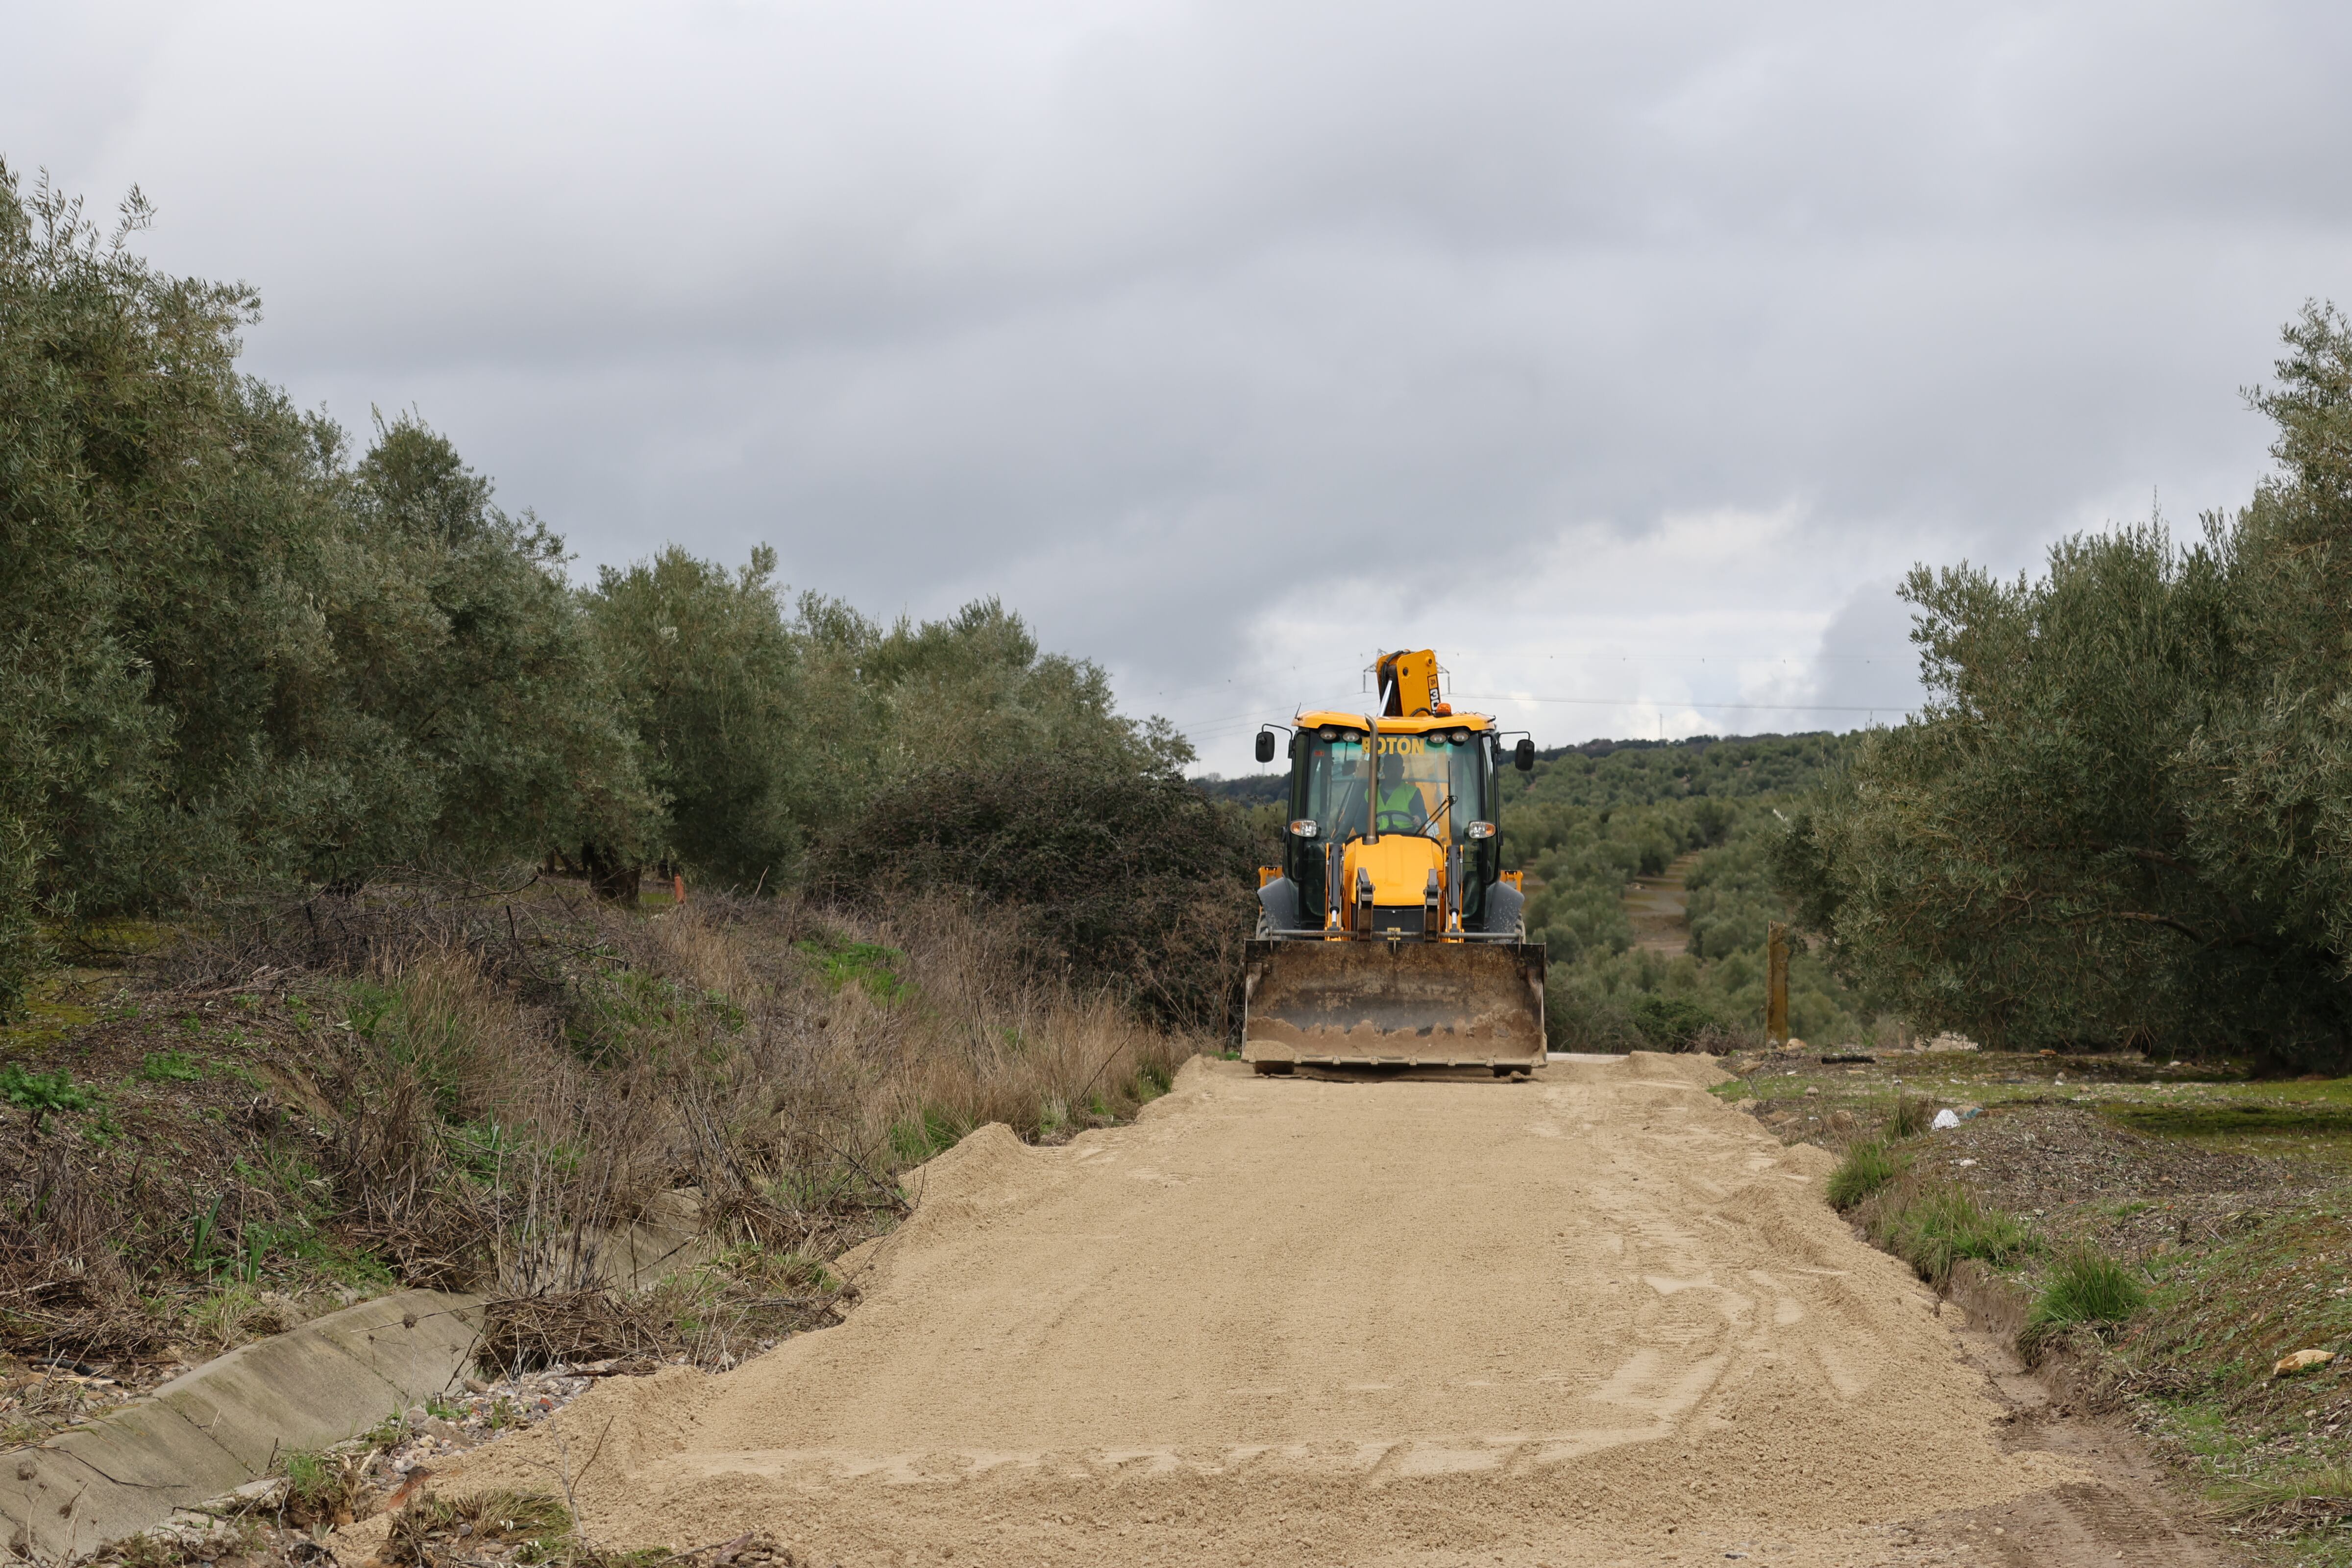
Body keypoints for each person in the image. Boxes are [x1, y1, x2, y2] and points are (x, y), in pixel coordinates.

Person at [1373, 751, 1428, 834]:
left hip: (1406, 839)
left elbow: (1422, 814)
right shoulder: (1371, 792)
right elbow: (1359, 820)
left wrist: (1419, 818)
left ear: (1403, 770)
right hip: (1375, 840)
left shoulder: (1413, 792)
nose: (1394, 772)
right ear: (1384, 770)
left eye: (1397, 768)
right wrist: (1366, 837)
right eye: (1390, 768)